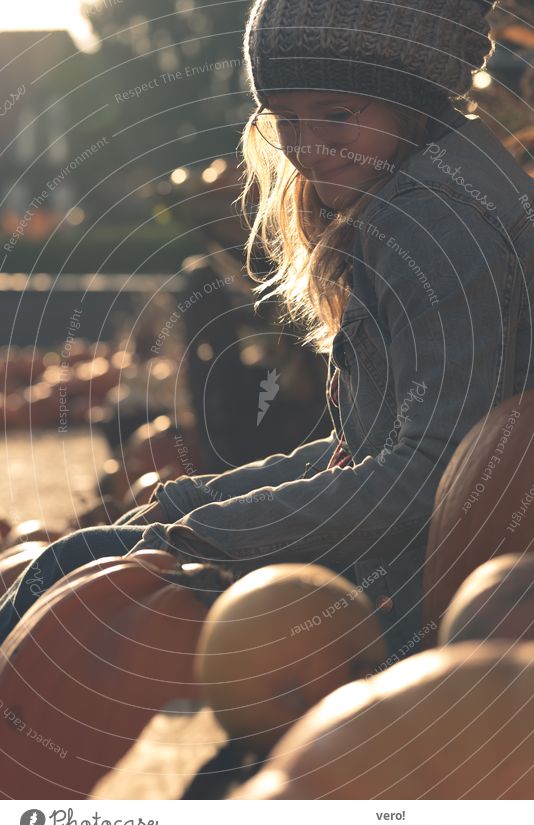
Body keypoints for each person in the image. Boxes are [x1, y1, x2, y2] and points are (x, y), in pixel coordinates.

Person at [1, 0, 533, 660]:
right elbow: (367, 452)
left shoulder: (435, 223)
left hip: (424, 600)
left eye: (337, 114)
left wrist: (202, 533)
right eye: (284, 118)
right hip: (412, 570)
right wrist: (187, 505)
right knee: (82, 561)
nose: (306, 148)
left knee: (73, 574)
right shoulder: (426, 187)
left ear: (411, 100)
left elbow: (428, 477)